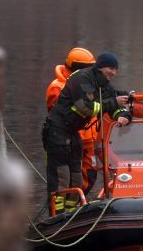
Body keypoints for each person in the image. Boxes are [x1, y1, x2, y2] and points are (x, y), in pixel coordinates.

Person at [43, 52, 131, 212]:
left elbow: (115, 105)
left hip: (73, 132)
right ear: (100, 67)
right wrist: (113, 103)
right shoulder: (81, 79)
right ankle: (56, 216)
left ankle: (71, 213)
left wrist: (123, 115)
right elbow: (85, 108)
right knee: (61, 177)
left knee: (77, 178)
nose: (114, 73)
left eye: (116, 69)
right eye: (111, 68)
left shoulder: (103, 83)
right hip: (58, 131)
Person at [45, 47, 100, 195]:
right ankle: (62, 213)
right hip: (65, 140)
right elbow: (69, 113)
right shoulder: (57, 88)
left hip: (86, 141)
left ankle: (77, 207)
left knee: (88, 177)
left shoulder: (88, 84)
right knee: (63, 180)